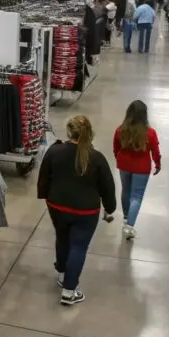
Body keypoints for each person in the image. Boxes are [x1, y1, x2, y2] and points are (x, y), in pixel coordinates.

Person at [37, 115, 116, 306]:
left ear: (69, 131)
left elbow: (44, 177)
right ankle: (69, 291)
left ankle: (62, 273)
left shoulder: (54, 151)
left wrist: (45, 195)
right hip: (86, 211)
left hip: (57, 205)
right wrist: (109, 208)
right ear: (90, 132)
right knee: (78, 247)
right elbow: (107, 186)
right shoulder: (97, 158)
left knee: (62, 237)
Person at [113, 100, 161, 240]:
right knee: (137, 196)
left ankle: (126, 217)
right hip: (141, 167)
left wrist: (119, 159)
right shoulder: (150, 133)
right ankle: (130, 226)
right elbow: (155, 151)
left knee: (125, 191)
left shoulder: (120, 130)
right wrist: (157, 164)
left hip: (124, 164)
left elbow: (116, 147)